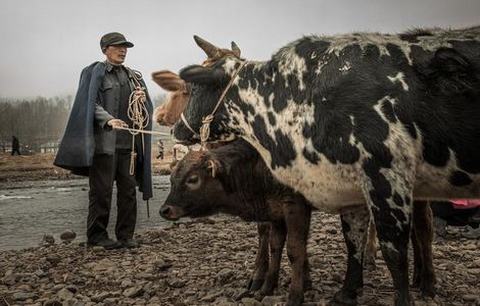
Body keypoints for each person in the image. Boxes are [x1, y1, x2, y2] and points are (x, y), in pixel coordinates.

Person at [54, 32, 153, 249]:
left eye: (125, 46)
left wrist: (142, 101)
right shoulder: (93, 73)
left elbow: (144, 111)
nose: (123, 50)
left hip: (130, 146)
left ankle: (126, 236)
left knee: (128, 191)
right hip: (104, 146)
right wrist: (109, 120)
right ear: (105, 49)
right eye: (118, 46)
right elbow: (90, 104)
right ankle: (97, 238)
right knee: (101, 192)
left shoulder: (134, 77)